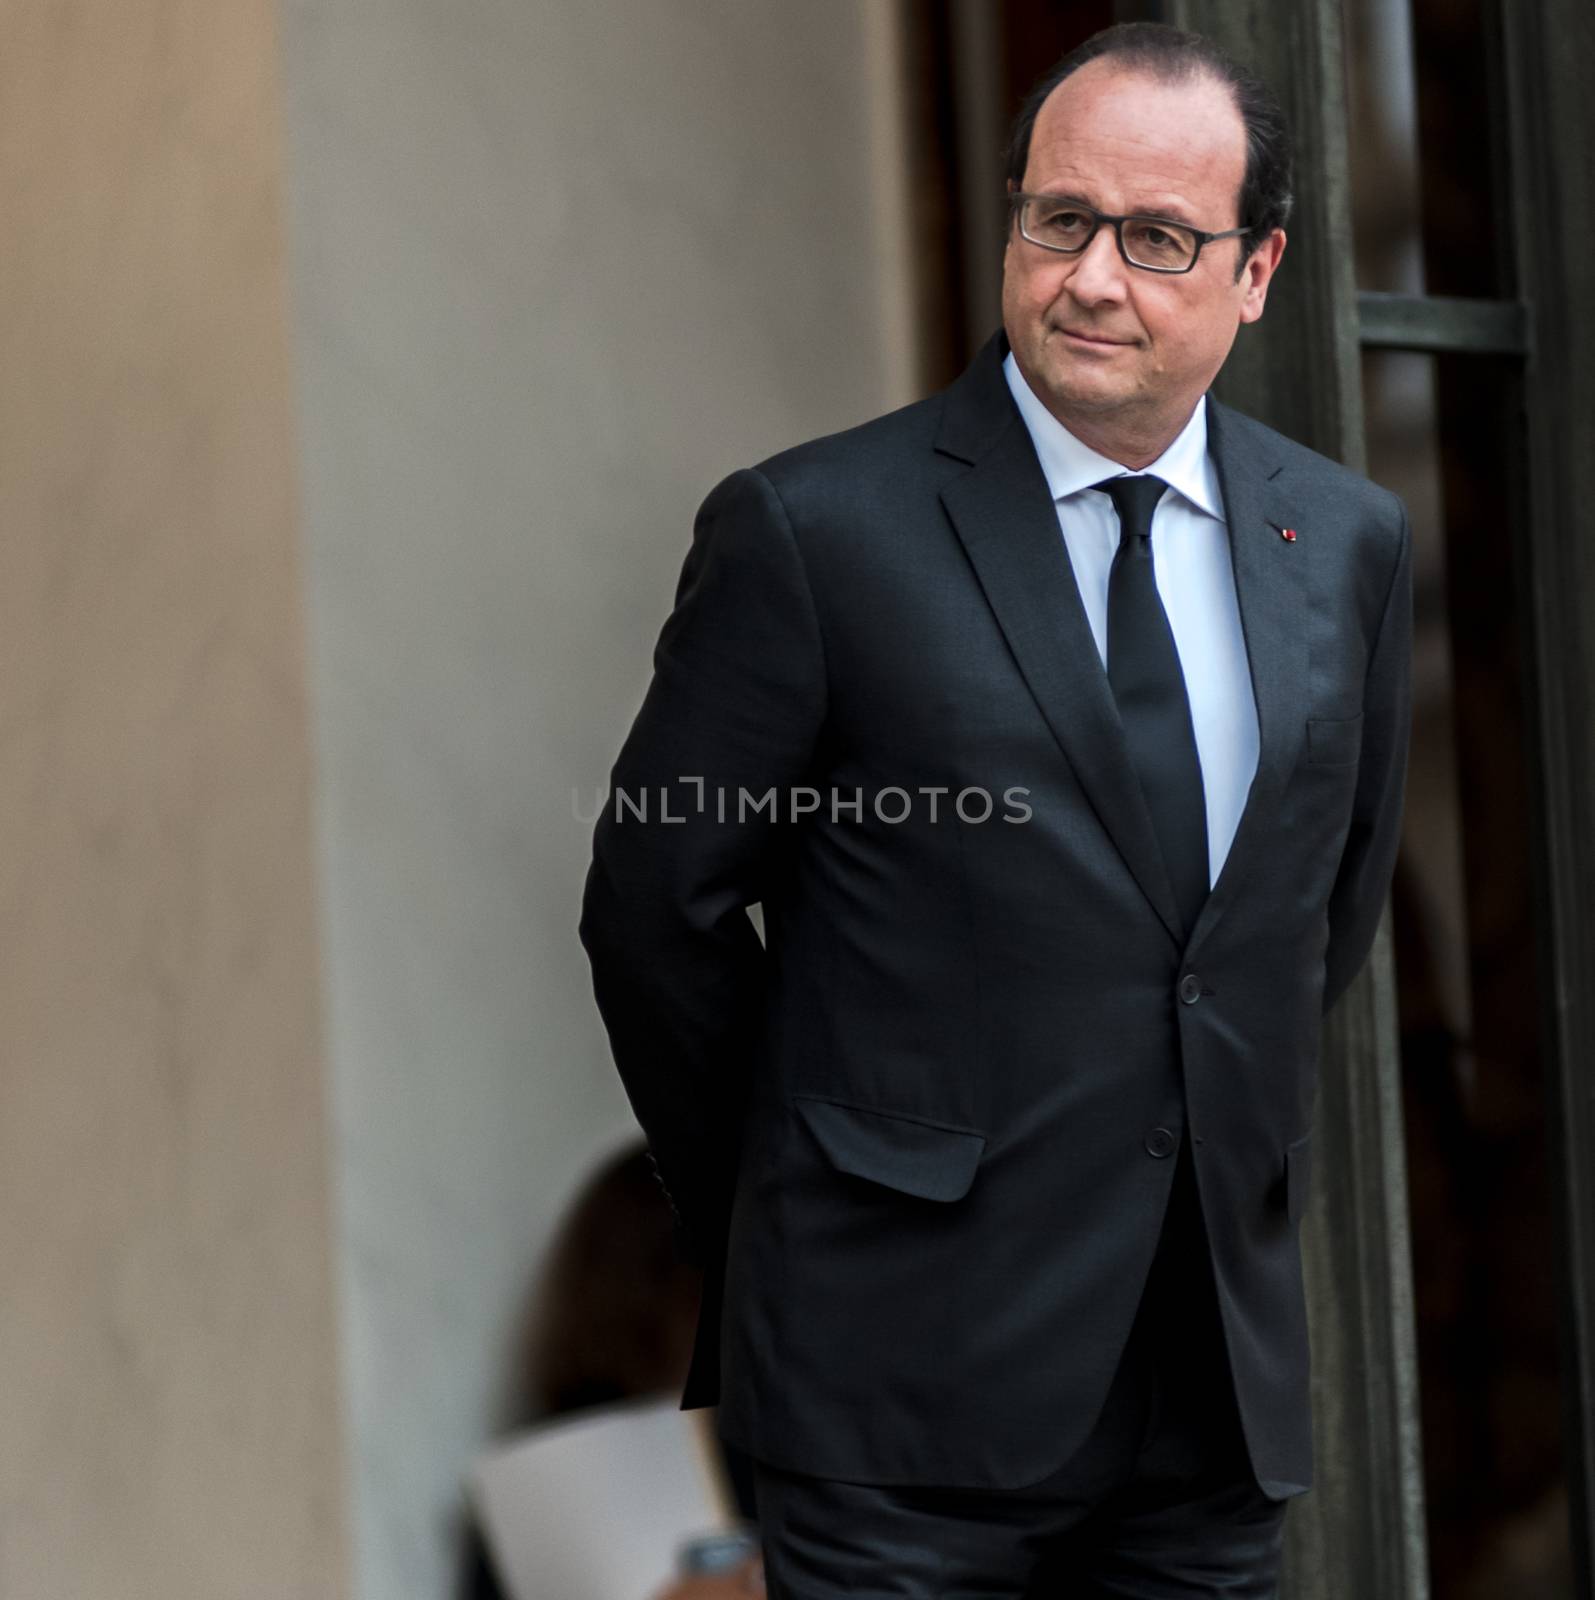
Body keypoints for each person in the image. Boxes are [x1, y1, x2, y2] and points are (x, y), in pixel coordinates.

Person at [578, 20, 1412, 1598]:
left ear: (1257, 271)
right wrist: (805, 1200)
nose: (1094, 277)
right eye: (1061, 221)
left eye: (1160, 239)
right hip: (895, 1398)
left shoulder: (1348, 542)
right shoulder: (817, 532)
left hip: (1210, 1402)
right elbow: (653, 912)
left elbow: (1309, 921)